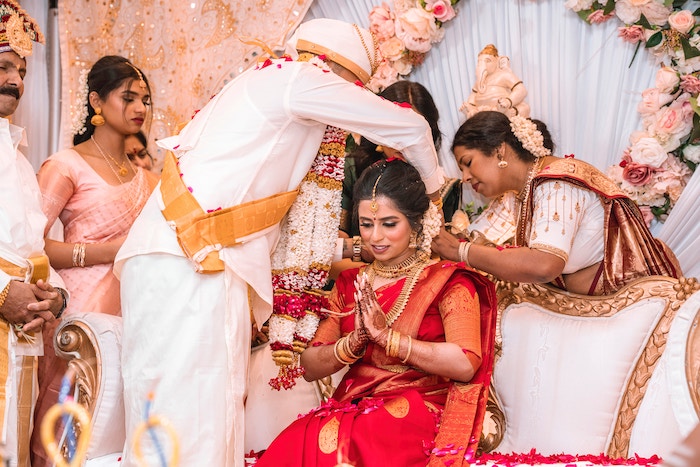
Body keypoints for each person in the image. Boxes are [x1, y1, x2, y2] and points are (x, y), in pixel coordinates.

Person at [114, 18, 444, 467]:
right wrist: (433, 191)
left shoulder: (261, 85)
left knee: (174, 403)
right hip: (193, 259)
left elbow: (280, 226)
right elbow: (411, 129)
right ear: (336, 70)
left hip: (175, 257)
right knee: (195, 406)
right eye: (352, 87)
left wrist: (347, 248)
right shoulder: (300, 79)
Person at [256, 159, 497, 466]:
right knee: (295, 441)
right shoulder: (351, 283)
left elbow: (465, 363)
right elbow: (311, 365)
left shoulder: (448, 282)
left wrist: (388, 338)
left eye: (389, 223)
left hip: (422, 405)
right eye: (367, 225)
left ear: (416, 223)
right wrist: (352, 343)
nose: (376, 237)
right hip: (354, 407)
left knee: (362, 435)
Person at [30, 55, 158, 465]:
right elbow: (30, 245)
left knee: (115, 426)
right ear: (96, 102)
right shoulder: (66, 165)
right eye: (129, 97)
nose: (140, 109)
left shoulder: (148, 178)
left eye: (146, 99)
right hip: (80, 310)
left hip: (136, 307)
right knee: (67, 422)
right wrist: (106, 251)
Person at [432, 111, 681, 295]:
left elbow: (543, 265)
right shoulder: (518, 193)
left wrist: (460, 251)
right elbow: (478, 238)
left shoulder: (556, 183)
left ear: (499, 151)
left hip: (632, 307)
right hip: (591, 310)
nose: (464, 178)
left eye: (468, 162)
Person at [0, 1, 68, 465]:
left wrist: (56, 296)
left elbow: (32, 246)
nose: (16, 82)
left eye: (21, 71)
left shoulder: (20, 160)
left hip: (21, 329)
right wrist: (3, 290)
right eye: (4, 66)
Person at [340, 80, 461, 238]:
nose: (404, 143)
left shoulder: (445, 188)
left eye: (414, 133)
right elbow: (331, 241)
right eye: (397, 130)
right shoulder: (351, 170)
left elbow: (440, 244)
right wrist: (364, 249)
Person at [459, 44, 530, 119]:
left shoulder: (504, 75)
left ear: (497, 61)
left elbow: (521, 90)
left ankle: (506, 114)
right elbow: (473, 95)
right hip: (482, 112)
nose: (483, 65)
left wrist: (508, 101)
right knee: (472, 114)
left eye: (487, 61)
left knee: (524, 108)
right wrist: (470, 106)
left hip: (502, 108)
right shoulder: (480, 80)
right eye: (480, 62)